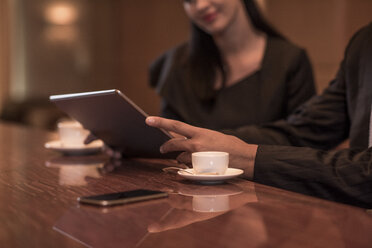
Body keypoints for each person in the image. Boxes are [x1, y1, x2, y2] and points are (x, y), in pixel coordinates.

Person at [146, 23, 372, 209]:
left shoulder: (287, 57)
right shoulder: (364, 42)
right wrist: (209, 143)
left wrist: (247, 157)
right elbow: (304, 130)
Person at [149, 0, 315, 135]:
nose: (201, 6)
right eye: (189, 0)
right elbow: (166, 138)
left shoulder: (289, 60)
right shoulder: (178, 61)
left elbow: (302, 139)